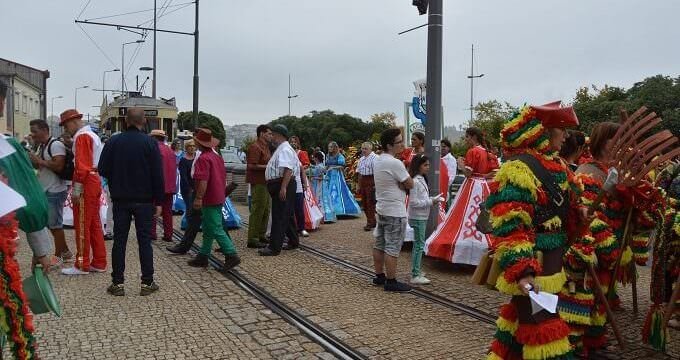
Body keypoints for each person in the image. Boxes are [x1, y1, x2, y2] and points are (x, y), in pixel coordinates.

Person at [486, 101, 585, 360]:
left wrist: (580, 212)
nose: (565, 136)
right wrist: (523, 272)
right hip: (532, 267)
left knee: (522, 330)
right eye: (561, 129)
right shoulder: (518, 168)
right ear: (543, 131)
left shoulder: (560, 166)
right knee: (544, 331)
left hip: (552, 263)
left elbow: (568, 214)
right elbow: (510, 225)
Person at [98, 107, 163, 296]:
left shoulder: (113, 142)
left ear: (126, 121)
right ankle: (147, 283)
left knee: (120, 241)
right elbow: (157, 175)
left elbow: (102, 169)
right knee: (144, 241)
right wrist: (158, 201)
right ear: (143, 121)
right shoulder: (150, 144)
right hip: (144, 201)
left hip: (120, 200)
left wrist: (117, 178)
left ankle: (117, 283)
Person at [425, 127, 499, 266]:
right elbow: (494, 173)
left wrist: (461, 165)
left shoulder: (473, 151)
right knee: (482, 214)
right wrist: (483, 176)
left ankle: (461, 250)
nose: (465, 140)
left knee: (462, 215)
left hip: (471, 186)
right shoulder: (487, 152)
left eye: (466, 137)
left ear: (473, 137)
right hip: (483, 186)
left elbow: (468, 174)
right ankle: (482, 246)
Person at [59, 109, 107, 275]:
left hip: (86, 182)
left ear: (73, 122)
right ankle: (99, 262)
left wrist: (76, 190)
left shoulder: (81, 137)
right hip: (94, 179)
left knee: (82, 224)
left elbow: (81, 167)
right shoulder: (91, 135)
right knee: (94, 224)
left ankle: (82, 264)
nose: (66, 130)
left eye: (66, 126)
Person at [186, 128, 241, 269]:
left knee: (215, 227)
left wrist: (198, 198)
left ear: (198, 143)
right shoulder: (216, 157)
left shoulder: (203, 158)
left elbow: (203, 181)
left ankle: (231, 254)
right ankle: (203, 255)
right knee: (208, 227)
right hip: (218, 195)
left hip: (208, 197)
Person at [372, 128, 414, 292]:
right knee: (393, 247)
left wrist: (400, 183)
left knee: (379, 244)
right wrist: (402, 184)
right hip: (395, 211)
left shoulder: (379, 160)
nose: (402, 144)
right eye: (399, 142)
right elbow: (410, 183)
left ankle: (379, 276)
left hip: (382, 208)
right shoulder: (395, 163)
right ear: (389, 145)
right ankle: (391, 281)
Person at [28, 119, 72, 265]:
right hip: (47, 189)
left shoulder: (56, 145)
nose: (32, 134)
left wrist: (39, 161)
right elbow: (41, 166)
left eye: (35, 131)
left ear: (44, 130)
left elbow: (58, 166)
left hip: (55, 190)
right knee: (51, 224)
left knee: (55, 225)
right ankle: (65, 251)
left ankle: (58, 256)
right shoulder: (42, 145)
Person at [259, 124, 299, 256]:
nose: (272, 137)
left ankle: (274, 247)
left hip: (282, 183)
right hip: (281, 183)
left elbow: (288, 169)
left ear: (279, 135)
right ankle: (293, 240)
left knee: (279, 215)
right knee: (286, 214)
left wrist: (283, 187)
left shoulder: (285, 149)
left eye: (273, 134)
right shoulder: (283, 148)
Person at [407, 154, 443, 285]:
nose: (428, 167)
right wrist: (431, 201)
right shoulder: (416, 181)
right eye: (425, 165)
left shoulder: (420, 179)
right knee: (419, 245)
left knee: (418, 244)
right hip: (418, 217)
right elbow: (414, 202)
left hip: (421, 216)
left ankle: (416, 270)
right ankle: (415, 274)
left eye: (428, 164)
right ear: (418, 166)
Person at [166, 140, 201, 254]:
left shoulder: (198, 158)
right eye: (190, 146)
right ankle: (186, 246)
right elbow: (184, 177)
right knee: (192, 215)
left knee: (195, 217)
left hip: (197, 190)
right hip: (189, 190)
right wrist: (190, 189)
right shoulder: (183, 160)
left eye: (193, 146)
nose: (192, 148)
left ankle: (186, 246)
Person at [246, 125, 272, 248]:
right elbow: (251, 165)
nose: (271, 136)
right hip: (259, 182)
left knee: (266, 209)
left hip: (266, 182)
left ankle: (261, 234)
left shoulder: (266, 147)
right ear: (262, 134)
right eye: (269, 134)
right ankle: (252, 238)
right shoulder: (255, 147)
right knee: (258, 210)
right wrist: (268, 167)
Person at [149, 129, 177, 242]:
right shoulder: (170, 151)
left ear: (154, 138)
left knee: (153, 210)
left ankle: (152, 233)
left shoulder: (154, 150)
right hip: (170, 186)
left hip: (156, 186)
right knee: (167, 212)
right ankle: (168, 234)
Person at [324, 141, 361, 217]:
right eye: (329, 147)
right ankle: (329, 209)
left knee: (339, 191)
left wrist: (333, 167)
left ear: (335, 148)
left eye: (331, 147)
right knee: (328, 190)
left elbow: (342, 166)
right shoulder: (328, 156)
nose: (329, 148)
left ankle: (340, 209)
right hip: (329, 175)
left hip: (337, 176)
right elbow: (327, 166)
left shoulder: (339, 156)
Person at [290, 135, 310, 237]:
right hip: (289, 186)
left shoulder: (300, 155)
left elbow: (302, 170)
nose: (293, 143)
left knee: (299, 208)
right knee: (289, 209)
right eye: (291, 142)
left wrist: (305, 184)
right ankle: (292, 229)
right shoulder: (287, 156)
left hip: (298, 185)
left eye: (294, 142)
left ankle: (302, 228)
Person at [357, 142, 378, 231]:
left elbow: (377, 173)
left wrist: (376, 185)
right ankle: (372, 221)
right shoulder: (361, 159)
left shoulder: (375, 158)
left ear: (370, 149)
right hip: (363, 181)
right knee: (364, 203)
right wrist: (358, 185)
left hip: (372, 180)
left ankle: (370, 222)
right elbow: (359, 173)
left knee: (370, 203)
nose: (364, 150)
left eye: (366, 149)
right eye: (362, 148)